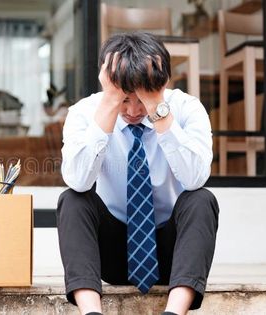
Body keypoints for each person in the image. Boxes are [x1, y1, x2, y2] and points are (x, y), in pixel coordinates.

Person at [57, 32, 219, 315]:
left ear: (161, 85)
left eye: (141, 99)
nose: (133, 111)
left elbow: (195, 178)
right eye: (124, 100)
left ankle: (174, 312)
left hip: (171, 253)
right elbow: (78, 180)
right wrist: (108, 106)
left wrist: (158, 110)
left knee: (201, 199)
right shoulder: (85, 112)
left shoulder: (186, 108)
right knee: (73, 199)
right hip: (112, 252)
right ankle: (91, 312)